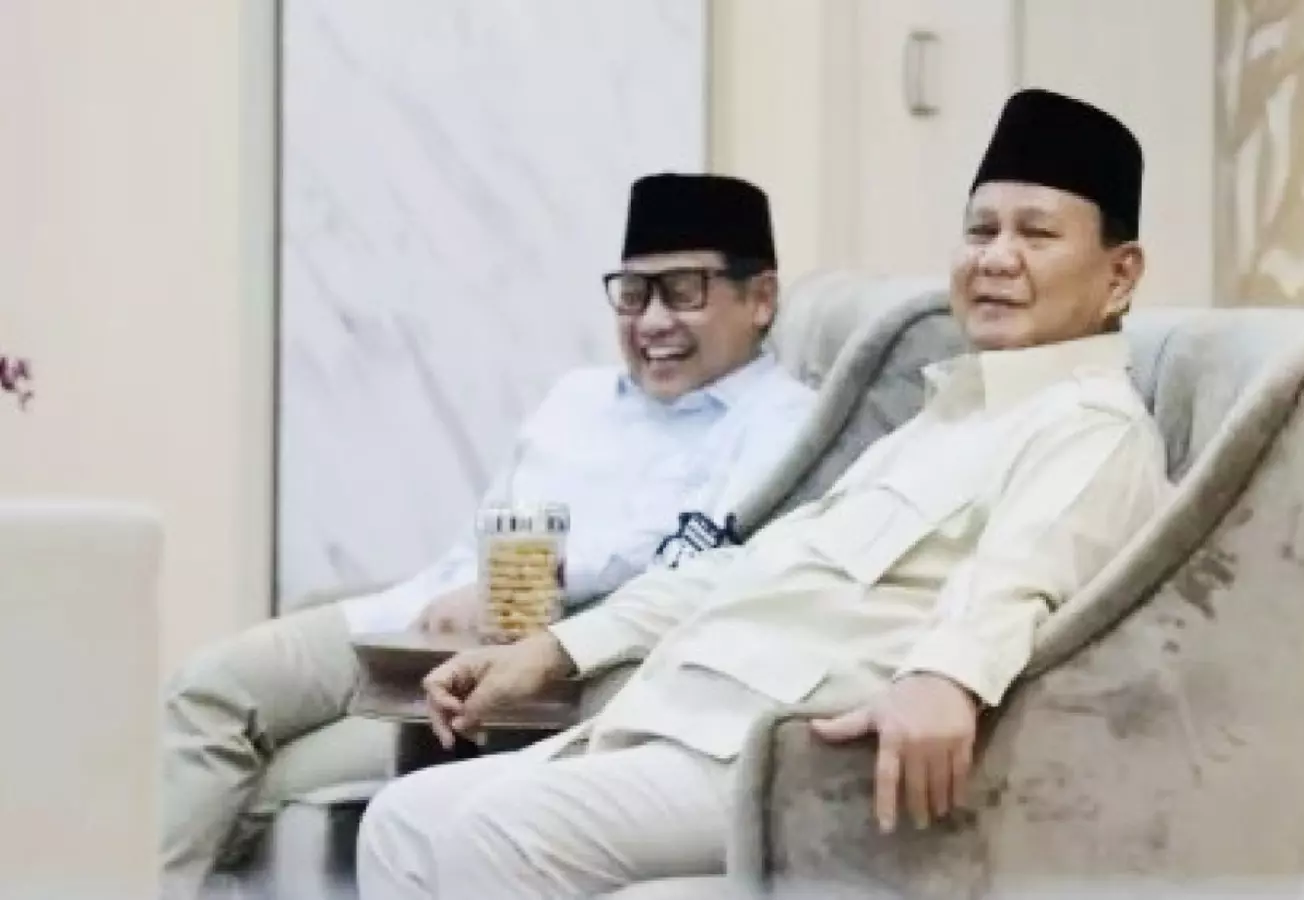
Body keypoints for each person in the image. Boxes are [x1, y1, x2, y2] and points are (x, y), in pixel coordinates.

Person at [356, 88, 1172, 900]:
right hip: (691, 709)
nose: (995, 258)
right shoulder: (947, 415)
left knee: (497, 835)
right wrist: (556, 650)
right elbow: (752, 566)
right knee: (403, 821)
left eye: (1036, 234)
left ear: (1120, 275)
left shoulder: (1091, 427)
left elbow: (1019, 579)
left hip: (795, 757)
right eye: (980, 230)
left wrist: (944, 678)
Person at [159, 173, 817, 898]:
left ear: (760, 299)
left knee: (264, 785)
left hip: (542, 675)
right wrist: (459, 592)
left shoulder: (785, 426)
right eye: (633, 295)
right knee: (211, 687)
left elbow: (691, 570)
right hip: (415, 622)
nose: (653, 322)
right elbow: (488, 525)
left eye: (684, 291)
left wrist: (521, 589)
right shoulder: (578, 397)